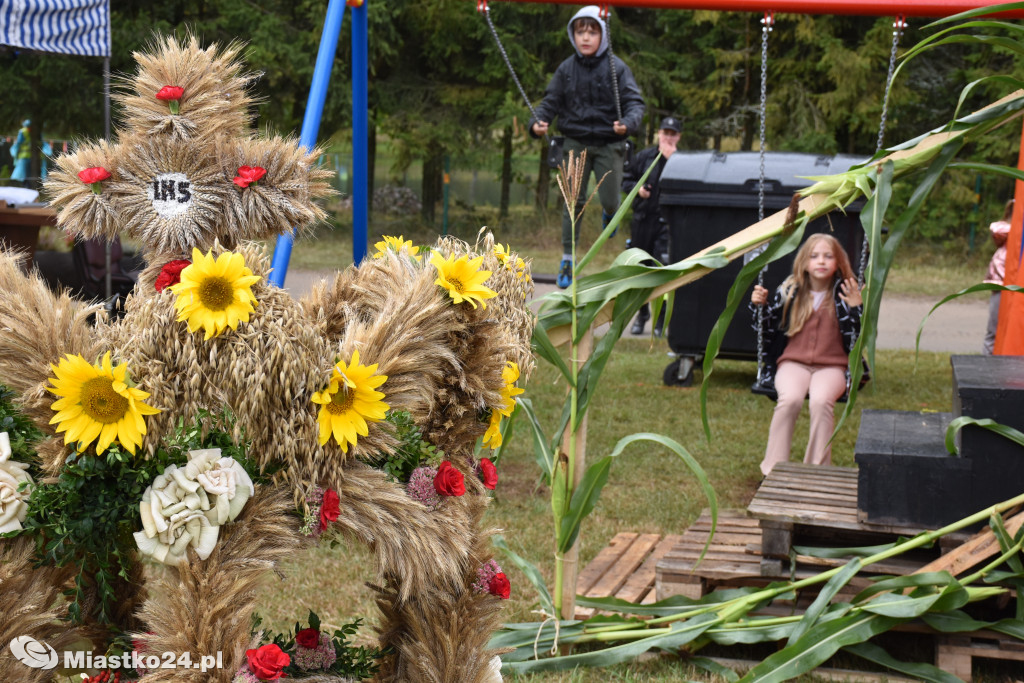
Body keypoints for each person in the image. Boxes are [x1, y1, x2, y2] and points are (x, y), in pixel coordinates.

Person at [530, 5, 645, 289]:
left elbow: (635, 104)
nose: (585, 38)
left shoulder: (618, 68)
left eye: (592, 32)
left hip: (609, 143)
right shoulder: (566, 69)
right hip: (575, 142)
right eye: (580, 32)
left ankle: (610, 212)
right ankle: (568, 258)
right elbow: (550, 101)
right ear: (573, 35)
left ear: (603, 35)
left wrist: (627, 124)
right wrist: (537, 122)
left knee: (609, 199)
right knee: (573, 203)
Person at [750, 234, 863, 476]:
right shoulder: (790, 290)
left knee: (822, 402)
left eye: (828, 256)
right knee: (789, 399)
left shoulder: (845, 293)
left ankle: (816, 472)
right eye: (814, 256)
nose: (821, 261)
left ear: (838, 262)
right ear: (804, 262)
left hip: (832, 367)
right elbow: (764, 328)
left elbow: (859, 334)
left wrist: (857, 308)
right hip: (793, 364)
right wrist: (759, 305)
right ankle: (773, 470)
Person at [621, 116, 681, 335]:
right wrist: (638, 190)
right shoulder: (644, 157)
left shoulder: (681, 160)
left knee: (662, 270)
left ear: (678, 137)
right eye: (665, 133)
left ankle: (660, 317)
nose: (668, 137)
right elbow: (625, 179)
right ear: (659, 134)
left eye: (672, 134)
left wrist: (670, 160)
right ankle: (642, 313)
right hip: (643, 221)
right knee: (641, 270)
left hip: (667, 224)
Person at [983, 199, 1013, 355]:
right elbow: (996, 229)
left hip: (1016, 286)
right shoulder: (1006, 230)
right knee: (993, 330)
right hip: (1001, 284)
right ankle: (986, 364)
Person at [9, 120, 31, 184]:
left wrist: (14, 152)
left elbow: (18, 143)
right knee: (28, 175)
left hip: (23, 156)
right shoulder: (36, 130)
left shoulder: (22, 131)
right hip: (34, 157)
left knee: (21, 175)